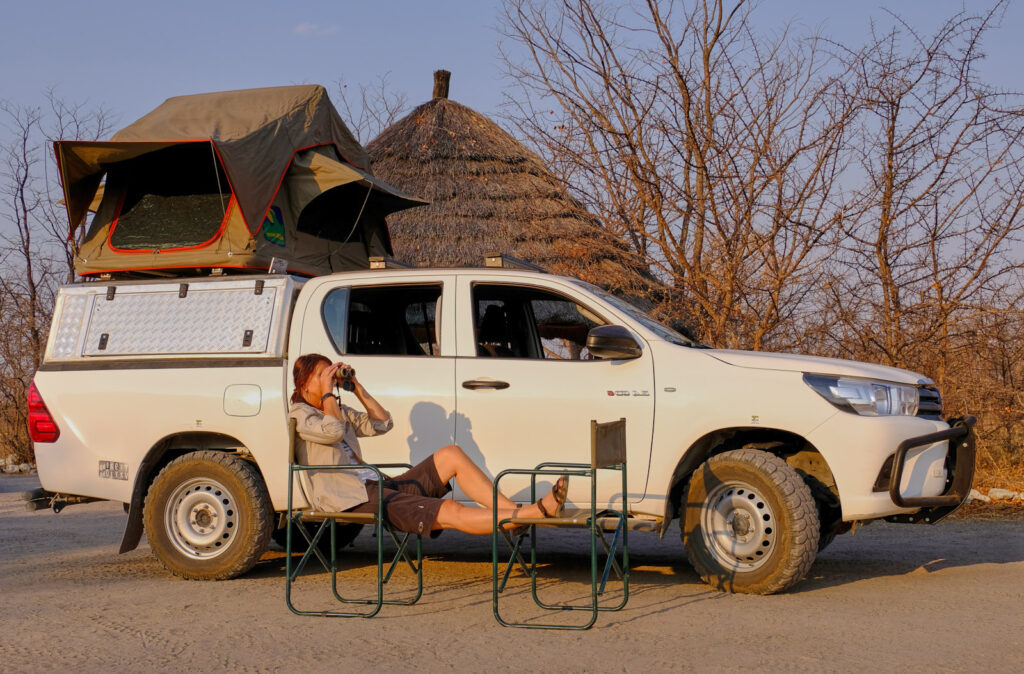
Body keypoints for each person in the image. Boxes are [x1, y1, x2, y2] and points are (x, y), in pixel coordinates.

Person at [289, 353, 568, 536]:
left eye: (330, 375)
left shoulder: (337, 409)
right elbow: (333, 432)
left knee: (451, 454)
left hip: (377, 486)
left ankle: (511, 516)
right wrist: (328, 393)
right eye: (321, 376)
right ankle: (533, 513)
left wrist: (355, 386)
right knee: (449, 511)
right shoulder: (301, 415)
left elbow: (382, 423)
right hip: (350, 500)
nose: (329, 381)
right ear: (304, 386)